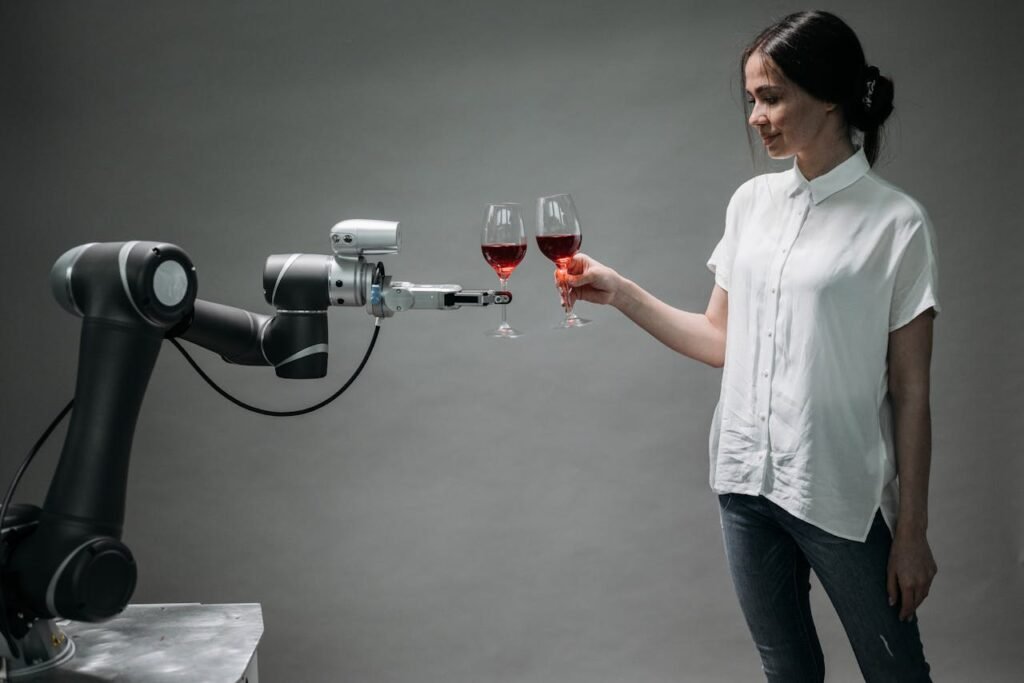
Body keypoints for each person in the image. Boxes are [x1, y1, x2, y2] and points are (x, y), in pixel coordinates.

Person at [559, 10, 938, 682]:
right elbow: (718, 340)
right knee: (787, 673)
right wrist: (619, 291)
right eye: (751, 99)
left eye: (771, 97)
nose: (756, 117)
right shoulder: (751, 204)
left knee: (898, 675)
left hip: (835, 493)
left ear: (829, 96)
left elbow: (911, 393)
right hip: (743, 484)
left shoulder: (897, 224)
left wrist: (911, 531)